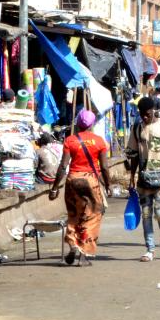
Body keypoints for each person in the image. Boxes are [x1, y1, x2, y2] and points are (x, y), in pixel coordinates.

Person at [49, 109, 111, 266]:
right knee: (92, 216)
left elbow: (63, 166)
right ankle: (83, 252)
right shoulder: (99, 141)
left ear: (78, 124)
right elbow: (104, 167)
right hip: (90, 182)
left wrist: (55, 188)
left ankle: (73, 244)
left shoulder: (70, 140)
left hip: (73, 181)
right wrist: (108, 185)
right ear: (92, 125)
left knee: (73, 214)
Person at [127, 96, 160, 262]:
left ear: (153, 111)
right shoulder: (137, 128)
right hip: (143, 179)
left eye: (147, 114)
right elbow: (133, 155)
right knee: (146, 214)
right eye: (142, 114)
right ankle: (149, 249)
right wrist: (132, 176)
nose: (145, 117)